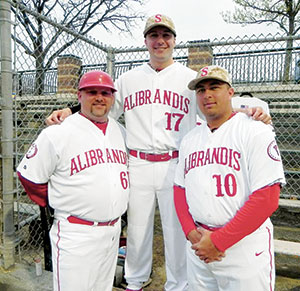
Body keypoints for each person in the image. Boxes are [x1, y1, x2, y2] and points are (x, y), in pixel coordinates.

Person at [45, 15, 272, 291]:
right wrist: (70, 110)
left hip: (176, 160)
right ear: (146, 41)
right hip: (138, 161)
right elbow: (101, 106)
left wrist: (255, 108)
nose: (160, 41)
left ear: (174, 41)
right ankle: (136, 280)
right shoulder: (128, 79)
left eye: (166, 35)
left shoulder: (190, 79)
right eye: (154, 35)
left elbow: (218, 101)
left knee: (177, 232)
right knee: (138, 229)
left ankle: (178, 284)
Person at [173, 65, 286, 291]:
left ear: (231, 92)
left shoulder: (255, 129)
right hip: (200, 246)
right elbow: (179, 190)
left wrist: (218, 241)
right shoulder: (190, 139)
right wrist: (192, 234)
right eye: (201, 90)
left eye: (214, 87)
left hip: (244, 246)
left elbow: (267, 197)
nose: (207, 95)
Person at [17, 71, 130, 291]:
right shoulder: (58, 133)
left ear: (113, 98)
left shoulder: (121, 132)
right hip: (76, 233)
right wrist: (59, 200)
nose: (99, 97)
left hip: (112, 231)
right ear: (79, 96)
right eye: (92, 92)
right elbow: (29, 177)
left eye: (105, 93)